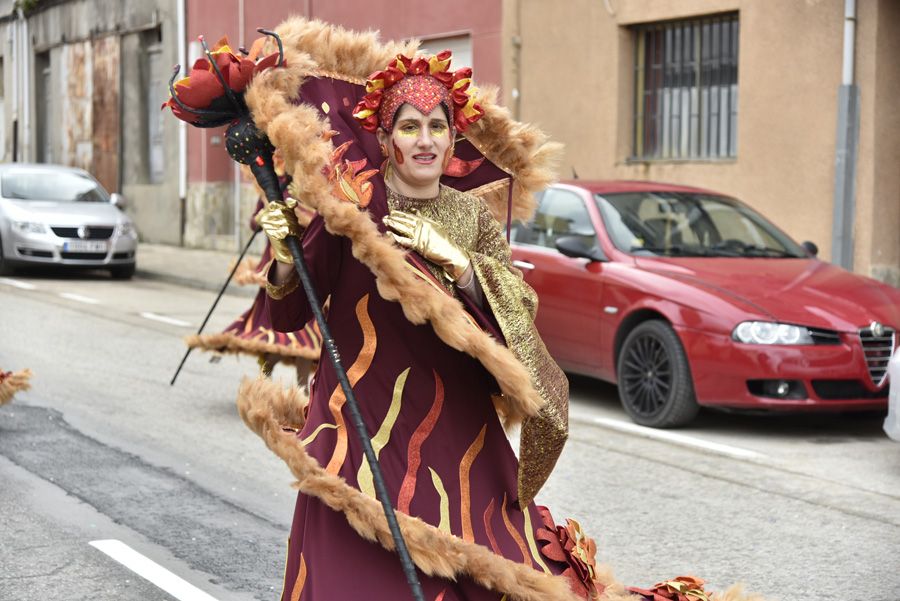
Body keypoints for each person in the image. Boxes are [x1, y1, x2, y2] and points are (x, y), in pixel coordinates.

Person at [237, 17, 763, 601]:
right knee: (353, 567)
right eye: (409, 126)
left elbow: (517, 310)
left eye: (437, 126)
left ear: (452, 140)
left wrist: (456, 263)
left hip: (453, 427)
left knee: (473, 566)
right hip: (358, 420)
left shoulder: (471, 217)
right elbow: (290, 314)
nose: (425, 140)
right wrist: (283, 253)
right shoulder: (351, 205)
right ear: (385, 139)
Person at [185, 160, 321, 385]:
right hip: (276, 267)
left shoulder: (311, 185)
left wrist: (303, 208)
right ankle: (266, 374)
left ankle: (302, 386)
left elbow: (319, 223)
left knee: (306, 332)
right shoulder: (272, 184)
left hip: (306, 264)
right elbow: (254, 222)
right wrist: (266, 216)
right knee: (271, 327)